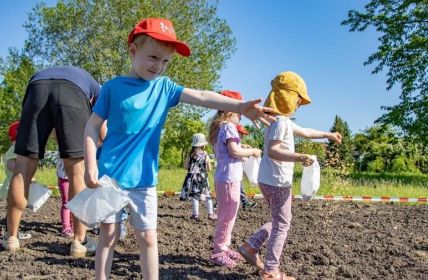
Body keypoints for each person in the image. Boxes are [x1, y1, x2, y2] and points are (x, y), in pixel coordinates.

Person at [83, 18, 274, 280]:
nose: (158, 66)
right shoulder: (112, 88)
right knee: (109, 235)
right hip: (110, 176)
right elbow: (92, 127)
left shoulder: (165, 88)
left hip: (144, 180)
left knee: (148, 237)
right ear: (132, 51)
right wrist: (91, 164)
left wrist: (239, 107)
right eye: (153, 57)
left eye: (165, 61)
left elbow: (204, 96)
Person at [238, 71, 342, 280]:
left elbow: (305, 132)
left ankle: (251, 247)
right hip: (277, 181)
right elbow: (274, 150)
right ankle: (270, 271)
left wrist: (328, 135)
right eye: (297, 100)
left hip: (267, 180)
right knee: (283, 224)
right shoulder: (280, 123)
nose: (298, 105)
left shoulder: (276, 120)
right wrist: (299, 157)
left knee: (280, 220)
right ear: (287, 97)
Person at [3, 66, 100, 257]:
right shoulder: (97, 88)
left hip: (36, 88)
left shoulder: (43, 74)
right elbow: (100, 122)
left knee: (23, 165)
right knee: (76, 171)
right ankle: (80, 242)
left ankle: (11, 238)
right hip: (73, 92)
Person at [207, 90, 262, 268]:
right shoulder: (229, 126)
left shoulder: (220, 127)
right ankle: (218, 251)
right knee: (227, 216)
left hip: (224, 176)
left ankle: (224, 246)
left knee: (227, 214)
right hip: (230, 177)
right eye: (239, 111)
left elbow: (229, 149)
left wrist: (241, 145)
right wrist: (252, 151)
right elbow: (234, 152)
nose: (241, 116)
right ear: (230, 110)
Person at [0, 122, 32, 241]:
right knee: (14, 209)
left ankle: (10, 230)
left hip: (10, 183)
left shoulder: (12, 148)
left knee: (11, 209)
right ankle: (13, 232)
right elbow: (10, 164)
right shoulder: (16, 148)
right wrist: (24, 174)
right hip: (13, 184)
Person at [180, 133, 216, 221]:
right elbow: (209, 168)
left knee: (194, 196)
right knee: (207, 195)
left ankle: (195, 214)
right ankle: (211, 214)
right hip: (202, 178)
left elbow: (185, 166)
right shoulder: (205, 154)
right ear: (203, 144)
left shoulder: (190, 155)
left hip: (192, 178)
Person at [236, 124, 257, 209]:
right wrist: (250, 152)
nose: (242, 135)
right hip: (233, 170)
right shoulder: (232, 141)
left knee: (239, 187)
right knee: (238, 187)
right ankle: (245, 202)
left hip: (236, 169)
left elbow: (239, 145)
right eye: (241, 133)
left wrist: (244, 146)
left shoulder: (237, 142)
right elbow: (236, 151)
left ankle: (245, 202)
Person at [56, 157, 73, 238]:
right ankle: (66, 227)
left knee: (76, 202)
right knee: (66, 203)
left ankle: (74, 224)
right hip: (64, 177)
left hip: (77, 177)